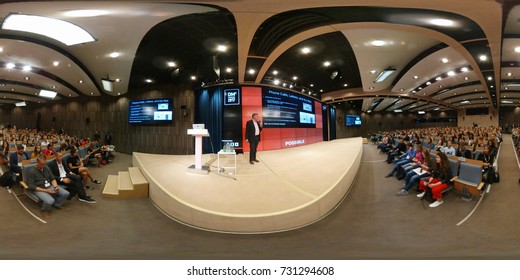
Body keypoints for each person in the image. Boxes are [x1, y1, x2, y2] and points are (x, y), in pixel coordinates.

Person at [25, 154, 70, 218]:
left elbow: (52, 178)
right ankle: (44, 210)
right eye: (41, 164)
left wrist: (55, 186)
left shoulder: (46, 168)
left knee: (66, 193)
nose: (43, 166)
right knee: (50, 200)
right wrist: (46, 190)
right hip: (38, 189)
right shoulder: (31, 171)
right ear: (37, 162)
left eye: (44, 164)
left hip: (48, 186)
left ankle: (57, 205)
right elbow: (31, 186)